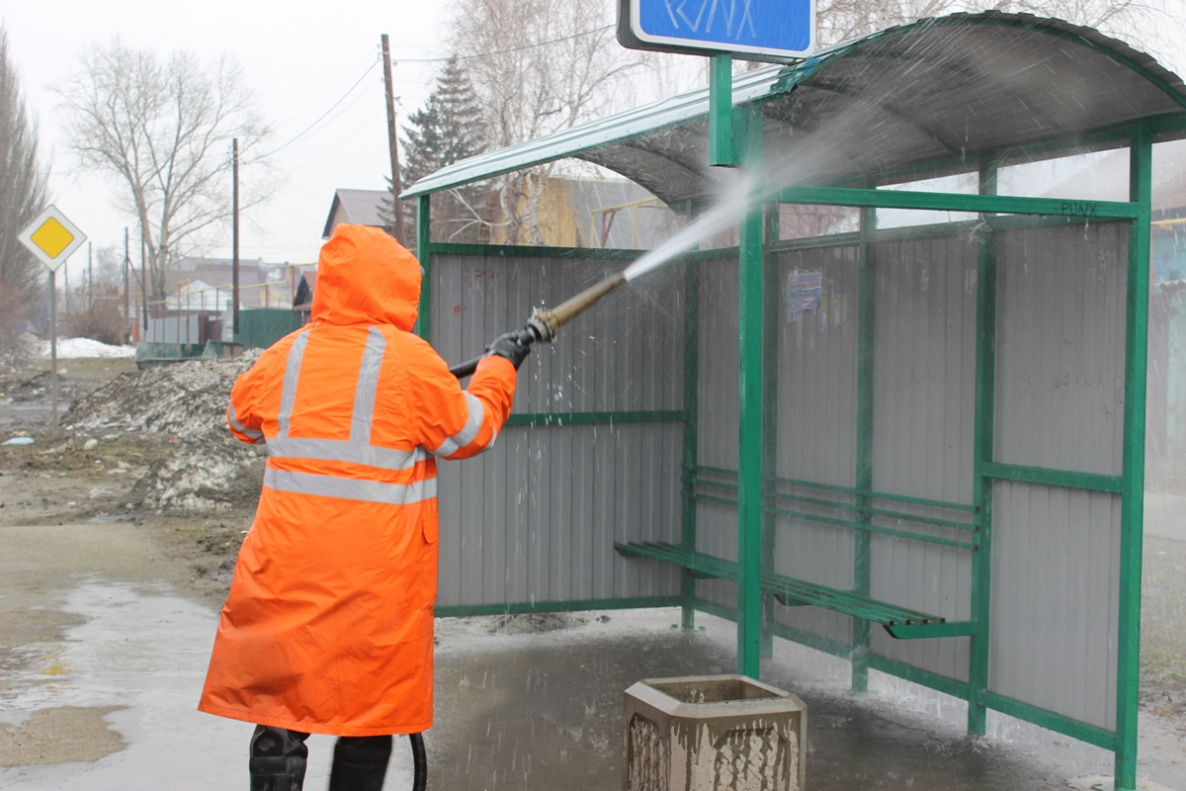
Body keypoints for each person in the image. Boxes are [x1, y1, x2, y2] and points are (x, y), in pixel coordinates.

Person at [198, 224, 531, 791]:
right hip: (373, 583)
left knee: (281, 708)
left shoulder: (287, 354)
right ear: (397, 289)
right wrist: (500, 365)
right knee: (369, 715)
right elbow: (470, 433)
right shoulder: (409, 361)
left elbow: (239, 422)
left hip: (283, 573)